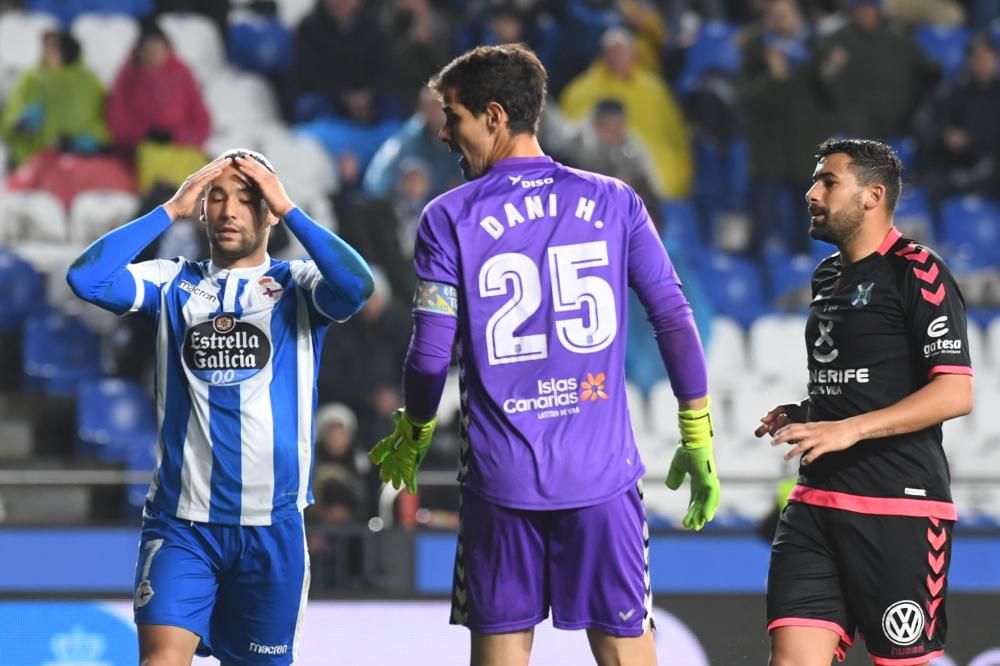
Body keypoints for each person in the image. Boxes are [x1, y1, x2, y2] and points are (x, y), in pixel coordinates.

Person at [367, 44, 720, 666]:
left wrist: (417, 426)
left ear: (495, 116)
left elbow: (429, 353)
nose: (445, 132)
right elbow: (673, 316)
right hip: (602, 481)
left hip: (500, 484)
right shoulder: (616, 200)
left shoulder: (447, 216)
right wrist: (696, 431)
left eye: (453, 116)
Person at [66, 149, 374, 665]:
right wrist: (169, 210)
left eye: (248, 199)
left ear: (269, 211)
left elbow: (357, 286)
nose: (230, 210)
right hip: (182, 525)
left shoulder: (296, 285)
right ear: (203, 208)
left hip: (272, 527)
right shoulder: (172, 281)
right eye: (218, 197)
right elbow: (86, 279)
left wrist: (290, 206)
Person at [757, 139, 974, 666]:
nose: (811, 192)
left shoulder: (918, 273)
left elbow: (955, 392)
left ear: (873, 195)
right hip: (815, 502)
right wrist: (810, 414)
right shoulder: (827, 276)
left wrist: (848, 428)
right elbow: (866, 381)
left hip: (898, 506)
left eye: (827, 181)